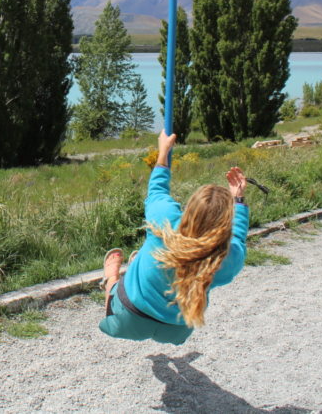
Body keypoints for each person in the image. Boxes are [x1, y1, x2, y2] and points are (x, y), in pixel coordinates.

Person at [99, 129, 249, 344]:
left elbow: (157, 192)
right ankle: (135, 262)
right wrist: (239, 201)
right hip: (177, 329)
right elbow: (239, 241)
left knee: (117, 287)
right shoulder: (227, 257)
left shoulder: (166, 220)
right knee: (147, 254)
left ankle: (110, 276)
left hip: (128, 318)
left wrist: (163, 152)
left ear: (189, 209)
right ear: (226, 225)